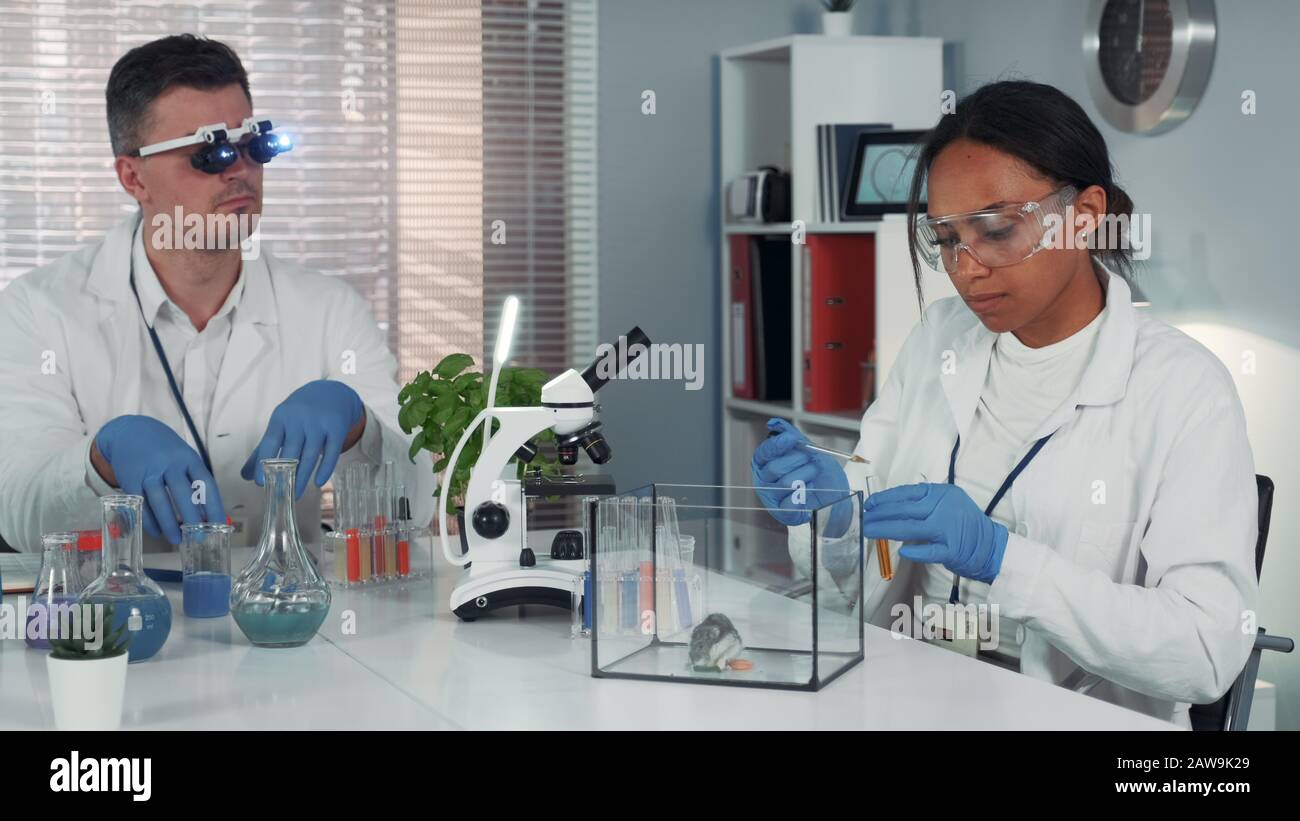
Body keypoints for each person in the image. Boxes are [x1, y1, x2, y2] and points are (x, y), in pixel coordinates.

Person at [752, 81, 1259, 727]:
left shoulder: (1185, 390)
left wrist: (1004, 558)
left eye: (996, 230)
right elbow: (859, 577)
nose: (967, 267)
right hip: (906, 693)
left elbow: (1205, 652)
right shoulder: (938, 339)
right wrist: (837, 518)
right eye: (944, 238)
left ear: (1084, 213)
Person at [0, 34, 436, 552]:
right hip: (123, 622)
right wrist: (101, 462)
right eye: (209, 152)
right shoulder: (38, 310)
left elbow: (416, 505)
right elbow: (20, 511)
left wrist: (360, 429)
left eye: (253, 145)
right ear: (133, 176)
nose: (239, 169)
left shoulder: (329, 310)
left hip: (288, 620)